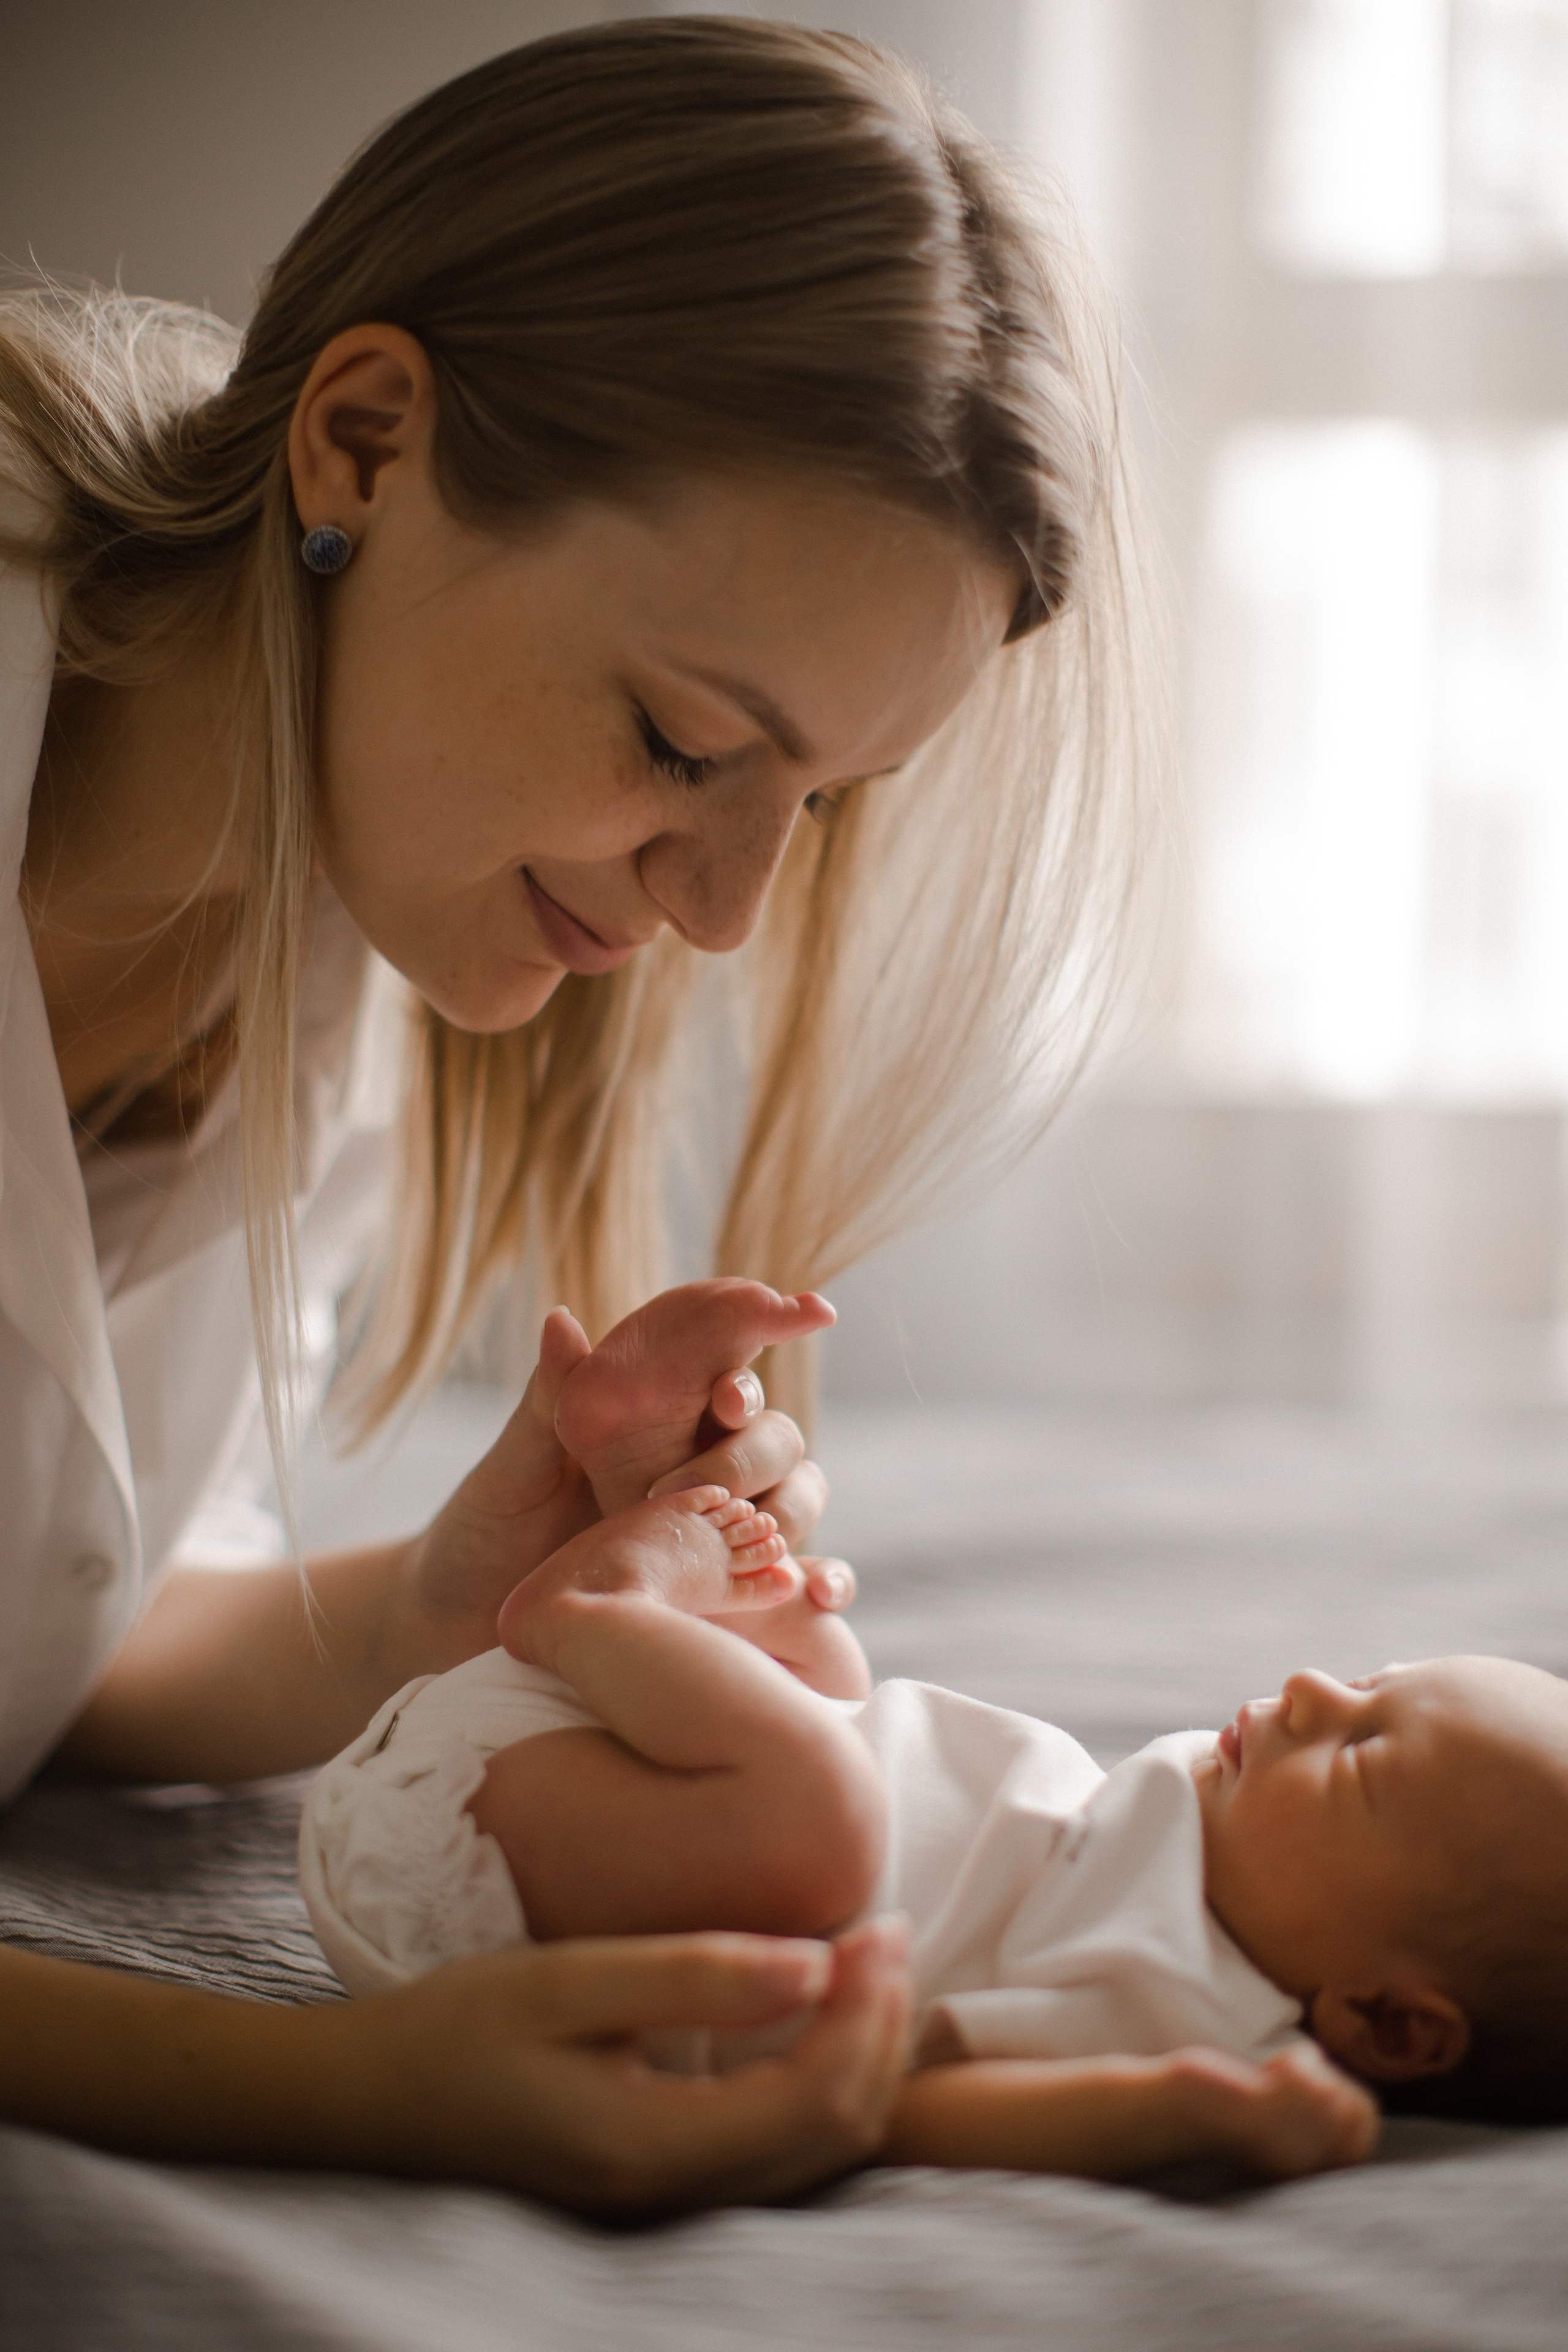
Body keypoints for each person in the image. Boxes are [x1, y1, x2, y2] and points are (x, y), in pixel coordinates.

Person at [0, 19, 1157, 2213]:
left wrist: (459, 1597)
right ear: (362, 444)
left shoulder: (328, 916)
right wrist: (353, 2092)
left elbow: (71, 1629)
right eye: (686, 738)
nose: (728, 913)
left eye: (814, 803)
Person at [301, 1286, 1568, 2176]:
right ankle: (659, 1509)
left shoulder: (1188, 2009)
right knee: (834, 1676)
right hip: (539, 1769)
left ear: (1386, 2024)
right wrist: (791, 1654)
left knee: (831, 1820)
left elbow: (907, 2108)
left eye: (1358, 1760)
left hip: (463, 1883)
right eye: (1365, 1680)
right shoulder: (1180, 1818)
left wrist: (1169, 2114)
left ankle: (598, 1602)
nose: (1305, 1690)